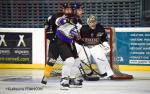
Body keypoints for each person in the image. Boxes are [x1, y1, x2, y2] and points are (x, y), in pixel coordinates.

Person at [75, 15, 117, 79]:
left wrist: (105, 44)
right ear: (88, 22)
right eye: (90, 21)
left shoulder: (100, 28)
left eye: (93, 21)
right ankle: (74, 74)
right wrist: (78, 45)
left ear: (96, 21)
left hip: (96, 46)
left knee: (101, 58)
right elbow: (77, 39)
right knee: (82, 59)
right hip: (85, 47)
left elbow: (103, 38)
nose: (92, 23)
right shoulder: (83, 28)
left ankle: (107, 73)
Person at [41, 3, 73, 85]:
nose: (69, 11)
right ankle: (45, 76)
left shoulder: (73, 17)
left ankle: (68, 78)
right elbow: (47, 26)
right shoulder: (55, 16)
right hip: (55, 42)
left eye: (70, 9)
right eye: (67, 9)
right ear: (63, 9)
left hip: (65, 43)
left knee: (69, 60)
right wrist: (51, 37)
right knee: (52, 60)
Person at [55, 3, 84, 89]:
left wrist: (79, 39)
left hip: (70, 42)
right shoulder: (66, 16)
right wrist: (68, 20)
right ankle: (64, 79)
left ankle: (72, 79)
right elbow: (58, 22)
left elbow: (74, 33)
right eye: (79, 9)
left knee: (77, 61)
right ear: (74, 10)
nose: (81, 11)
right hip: (61, 41)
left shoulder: (79, 22)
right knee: (70, 60)